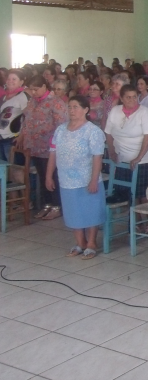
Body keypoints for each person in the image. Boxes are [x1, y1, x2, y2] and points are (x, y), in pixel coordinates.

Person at [48, 95, 106, 259]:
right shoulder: (60, 130)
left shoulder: (93, 131)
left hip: (87, 178)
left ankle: (92, 243)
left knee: (90, 210)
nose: (72, 111)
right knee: (73, 211)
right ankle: (80, 242)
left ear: (86, 110)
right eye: (70, 107)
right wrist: (48, 175)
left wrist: (94, 179)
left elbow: (97, 157)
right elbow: (53, 153)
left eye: (76, 107)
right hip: (66, 179)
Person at [19, 76, 68, 220]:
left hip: (50, 147)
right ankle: (47, 204)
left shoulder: (55, 102)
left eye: (36, 89)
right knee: (42, 175)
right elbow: (27, 120)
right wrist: (24, 136)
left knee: (52, 176)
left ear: (45, 87)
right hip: (35, 146)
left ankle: (57, 205)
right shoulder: (32, 102)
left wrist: (57, 144)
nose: (33, 92)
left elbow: (62, 125)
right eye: (31, 89)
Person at [105, 84, 148, 219]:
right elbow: (108, 133)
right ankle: (135, 222)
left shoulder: (144, 112)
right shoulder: (115, 111)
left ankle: (147, 223)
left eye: (135, 97)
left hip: (144, 158)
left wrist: (138, 157)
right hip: (123, 158)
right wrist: (112, 151)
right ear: (121, 98)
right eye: (128, 97)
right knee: (128, 192)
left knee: (142, 193)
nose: (132, 100)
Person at [0, 69, 27, 163]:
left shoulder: (23, 96)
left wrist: (21, 136)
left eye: (14, 79)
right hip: (1, 138)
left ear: (21, 82)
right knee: (2, 169)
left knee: (13, 170)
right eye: (8, 79)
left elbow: (28, 118)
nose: (10, 81)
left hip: (12, 139)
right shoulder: (4, 97)